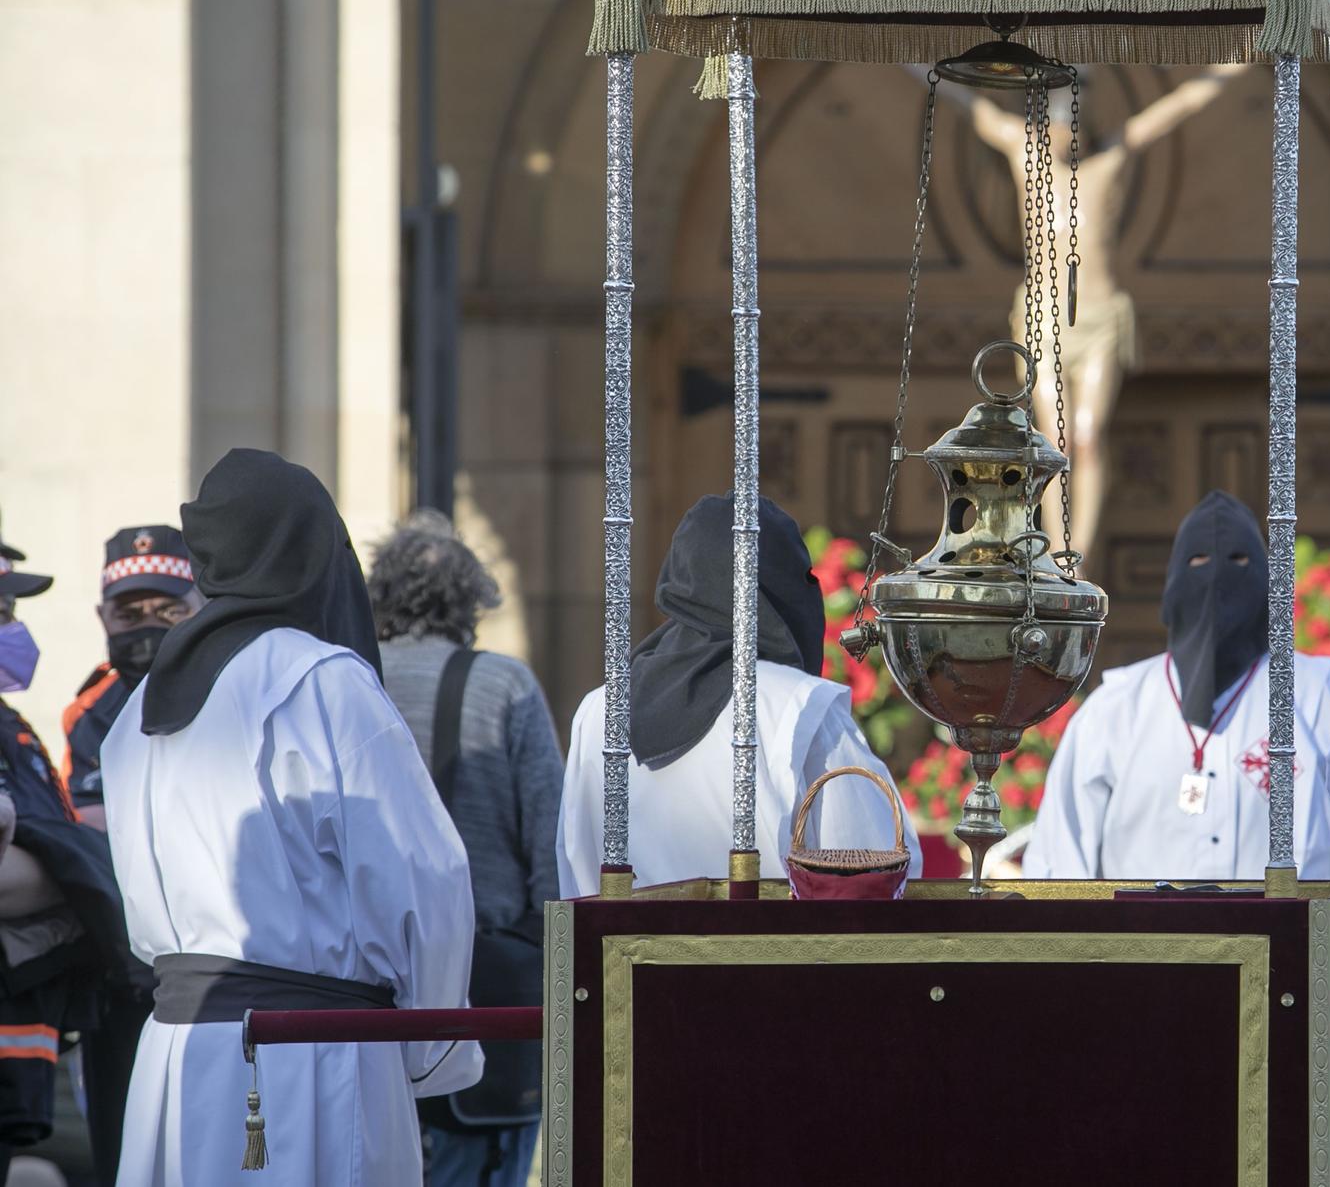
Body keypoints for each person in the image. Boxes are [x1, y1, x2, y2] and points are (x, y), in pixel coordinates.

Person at [100, 449, 482, 1185]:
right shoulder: (324, 682)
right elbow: (424, 876)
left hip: (177, 1058)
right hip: (314, 1055)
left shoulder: (137, 710)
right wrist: (430, 1043)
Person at [1024, 490, 1330, 1061]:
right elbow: (1059, 871)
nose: (1217, 584)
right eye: (1198, 565)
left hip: (1293, 1010)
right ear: (1171, 587)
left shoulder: (1315, 697)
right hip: (1135, 1007)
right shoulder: (1114, 713)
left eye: (1239, 565)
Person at [558, 495, 918, 894]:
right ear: (778, 585)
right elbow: (870, 868)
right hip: (765, 955)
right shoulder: (799, 706)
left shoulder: (599, 710)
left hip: (629, 955)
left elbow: (579, 879)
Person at [368, 510, 561, 1187]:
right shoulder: (506, 685)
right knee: (484, 1160)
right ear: (472, 598)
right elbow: (550, 839)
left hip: (367, 978)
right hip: (485, 973)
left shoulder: (351, 680)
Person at [0, 524, 146, 1186]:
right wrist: (98, 864)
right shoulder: (86, 711)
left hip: (26, 1043)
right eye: (2, 611)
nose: (14, 627)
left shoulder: (15, 723)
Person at [61, 526, 203, 823]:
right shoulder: (90, 713)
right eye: (128, 616)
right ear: (103, 617)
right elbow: (91, 822)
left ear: (204, 607)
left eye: (171, 612)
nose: (149, 628)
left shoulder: (239, 687)